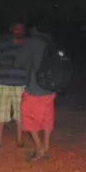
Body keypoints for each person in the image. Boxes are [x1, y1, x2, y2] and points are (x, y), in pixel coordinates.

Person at [19, 25, 56, 162]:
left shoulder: (31, 42)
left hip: (35, 88)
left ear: (34, 29)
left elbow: (21, 62)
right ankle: (46, 147)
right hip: (50, 89)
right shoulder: (50, 41)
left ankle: (39, 148)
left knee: (27, 118)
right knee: (47, 118)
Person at [0, 22, 29, 149]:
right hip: (3, 81)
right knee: (0, 113)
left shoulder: (27, 44)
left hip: (21, 83)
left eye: (21, 28)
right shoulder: (2, 43)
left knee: (20, 113)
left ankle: (20, 140)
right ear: (11, 29)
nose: (18, 30)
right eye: (16, 28)